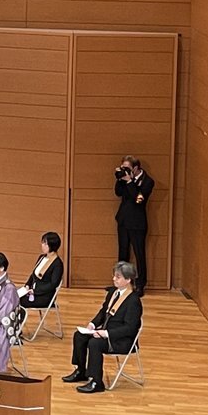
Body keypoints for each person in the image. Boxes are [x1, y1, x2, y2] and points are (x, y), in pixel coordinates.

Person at [64, 261, 143, 393]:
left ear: (128, 280)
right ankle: (81, 370)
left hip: (121, 340)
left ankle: (96, 381)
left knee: (95, 344)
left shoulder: (133, 301)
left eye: (118, 277)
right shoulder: (113, 293)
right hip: (105, 332)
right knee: (79, 336)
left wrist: (105, 333)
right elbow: (103, 312)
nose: (114, 279)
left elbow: (130, 328)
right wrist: (93, 324)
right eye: (114, 276)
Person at [115, 155, 154, 295]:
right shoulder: (124, 178)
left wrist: (130, 181)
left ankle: (140, 285)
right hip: (123, 221)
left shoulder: (148, 181)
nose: (124, 170)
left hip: (137, 223)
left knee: (139, 254)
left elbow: (138, 200)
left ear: (136, 168)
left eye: (127, 168)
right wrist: (120, 179)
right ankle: (120, 283)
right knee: (123, 253)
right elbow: (118, 193)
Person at [17, 231, 64, 309]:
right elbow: (33, 274)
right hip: (32, 291)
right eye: (42, 243)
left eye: (45, 244)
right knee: (13, 296)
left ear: (52, 245)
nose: (42, 245)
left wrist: (35, 291)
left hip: (44, 296)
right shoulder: (41, 257)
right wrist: (27, 285)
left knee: (17, 300)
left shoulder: (57, 264)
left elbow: (53, 284)